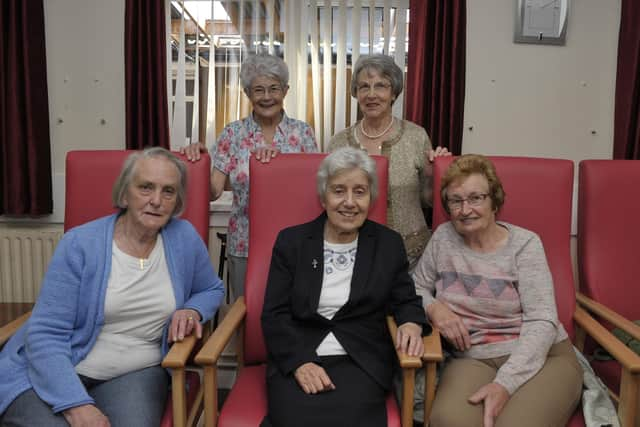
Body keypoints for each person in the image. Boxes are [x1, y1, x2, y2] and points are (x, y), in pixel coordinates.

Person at [0, 147, 225, 427]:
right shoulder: (79, 244)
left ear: (177, 200)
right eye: (145, 187)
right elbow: (46, 335)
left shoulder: (184, 239)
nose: (156, 200)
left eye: (168, 191)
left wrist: (192, 309)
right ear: (124, 194)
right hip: (58, 367)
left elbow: (212, 289)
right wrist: (76, 406)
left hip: (135, 372)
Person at [260, 147, 430, 427]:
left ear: (370, 198)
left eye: (359, 192)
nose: (349, 202)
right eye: (339, 191)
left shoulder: (388, 244)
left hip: (361, 361)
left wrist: (411, 322)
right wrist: (299, 362)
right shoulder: (292, 243)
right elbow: (274, 314)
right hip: (298, 357)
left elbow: (405, 299)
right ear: (323, 197)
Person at [412, 154, 582, 427]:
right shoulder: (443, 238)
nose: (465, 209)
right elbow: (416, 286)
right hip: (473, 357)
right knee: (448, 420)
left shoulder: (525, 244)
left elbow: (542, 320)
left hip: (541, 356)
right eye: (456, 201)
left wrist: (505, 383)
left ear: (494, 201)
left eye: (476, 198)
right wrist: (434, 308)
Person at [182, 53, 317, 300]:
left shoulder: (303, 132)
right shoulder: (233, 133)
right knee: (246, 311)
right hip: (245, 241)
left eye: (274, 88)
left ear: (285, 91)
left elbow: (314, 188)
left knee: (295, 312)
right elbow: (213, 190)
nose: (267, 97)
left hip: (296, 242)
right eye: (259, 90)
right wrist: (198, 164)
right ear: (247, 94)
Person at [329, 54, 450, 269]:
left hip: (412, 257)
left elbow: (431, 201)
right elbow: (330, 199)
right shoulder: (338, 142)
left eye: (381, 86)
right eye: (364, 87)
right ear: (356, 93)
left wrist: (437, 175)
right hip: (352, 257)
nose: (371, 94)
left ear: (393, 93)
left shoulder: (416, 136)